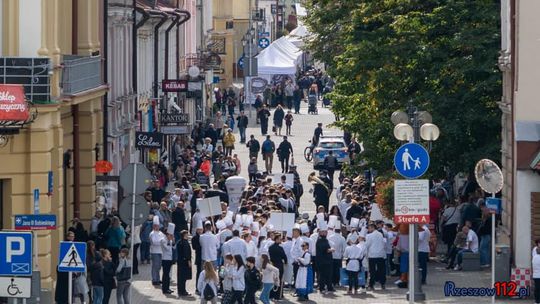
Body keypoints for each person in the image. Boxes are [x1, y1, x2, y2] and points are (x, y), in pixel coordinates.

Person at [365, 223, 386, 290]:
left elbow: (367, 245)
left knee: (372, 271)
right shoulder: (380, 234)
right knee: (381, 270)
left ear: (372, 228)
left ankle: (371, 284)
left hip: (372, 255)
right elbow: (383, 243)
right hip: (380, 254)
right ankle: (382, 283)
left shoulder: (369, 236)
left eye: (369, 228)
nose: (368, 229)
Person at [315, 225, 335, 293]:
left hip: (327, 261)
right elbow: (325, 250)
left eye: (326, 232)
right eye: (324, 232)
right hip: (323, 261)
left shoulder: (325, 240)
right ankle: (322, 288)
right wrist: (331, 249)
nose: (325, 233)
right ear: (320, 232)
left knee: (328, 275)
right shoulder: (320, 240)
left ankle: (329, 287)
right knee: (323, 275)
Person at [269, 234, 288, 300]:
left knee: (272, 280)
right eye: (279, 239)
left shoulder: (270, 247)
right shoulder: (280, 248)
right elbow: (284, 257)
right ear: (276, 239)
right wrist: (285, 262)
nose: (281, 240)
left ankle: (271, 295)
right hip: (279, 265)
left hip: (272, 265)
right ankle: (278, 295)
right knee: (279, 280)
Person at [177, 230, 193, 296]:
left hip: (180, 261)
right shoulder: (185, 243)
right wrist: (189, 260)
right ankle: (183, 291)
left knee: (180, 277)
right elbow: (186, 253)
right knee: (183, 277)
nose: (188, 236)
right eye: (187, 234)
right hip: (185, 262)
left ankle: (180, 290)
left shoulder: (179, 242)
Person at [149, 220, 165, 285]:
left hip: (160, 251)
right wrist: (160, 241)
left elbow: (164, 240)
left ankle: (158, 278)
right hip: (154, 251)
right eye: (155, 226)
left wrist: (161, 241)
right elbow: (154, 242)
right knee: (155, 266)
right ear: (153, 226)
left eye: (158, 226)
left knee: (159, 266)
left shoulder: (161, 233)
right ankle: (154, 279)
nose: (157, 227)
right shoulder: (152, 233)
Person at [161, 230, 175, 294]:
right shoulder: (163, 240)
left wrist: (173, 240)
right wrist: (169, 240)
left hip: (170, 258)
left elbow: (173, 247)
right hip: (165, 259)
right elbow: (167, 248)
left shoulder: (170, 240)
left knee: (168, 274)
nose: (171, 236)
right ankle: (164, 289)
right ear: (167, 234)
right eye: (170, 235)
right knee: (165, 274)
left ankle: (168, 287)